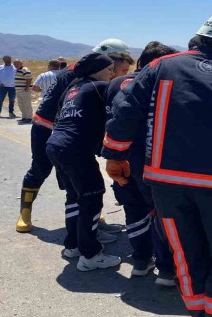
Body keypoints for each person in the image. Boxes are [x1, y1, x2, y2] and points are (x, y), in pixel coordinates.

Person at [103, 10, 212, 317]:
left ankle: (199, 313)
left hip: (166, 186)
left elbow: (125, 112)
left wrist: (114, 156)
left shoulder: (161, 66)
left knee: (186, 256)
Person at [15, 38, 131, 233]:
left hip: (71, 130)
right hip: (48, 126)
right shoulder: (78, 73)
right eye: (118, 68)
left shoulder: (91, 70)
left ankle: (88, 218)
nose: (117, 73)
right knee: (41, 169)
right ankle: (25, 213)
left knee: (80, 177)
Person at [105, 41, 178, 285]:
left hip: (121, 158)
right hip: (152, 160)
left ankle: (140, 261)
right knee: (160, 213)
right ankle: (166, 270)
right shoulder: (161, 82)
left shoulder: (115, 83)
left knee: (134, 210)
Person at [46, 53, 121, 271]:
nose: (112, 74)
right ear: (97, 70)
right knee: (92, 196)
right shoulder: (99, 86)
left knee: (74, 196)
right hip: (75, 148)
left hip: (55, 144)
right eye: (109, 70)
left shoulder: (73, 88)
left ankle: (73, 244)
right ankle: (90, 254)